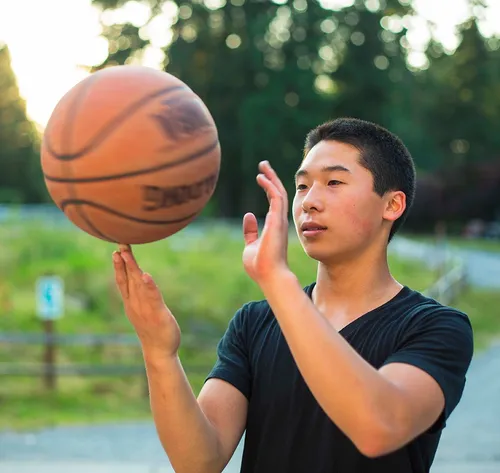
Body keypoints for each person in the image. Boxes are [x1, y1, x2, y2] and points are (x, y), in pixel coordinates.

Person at [112, 117, 474, 473]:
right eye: (302, 186)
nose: (309, 202)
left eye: (333, 182)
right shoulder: (254, 324)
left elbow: (378, 428)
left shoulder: (435, 328)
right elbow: (197, 462)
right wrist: (160, 352)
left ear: (392, 205)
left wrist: (277, 280)